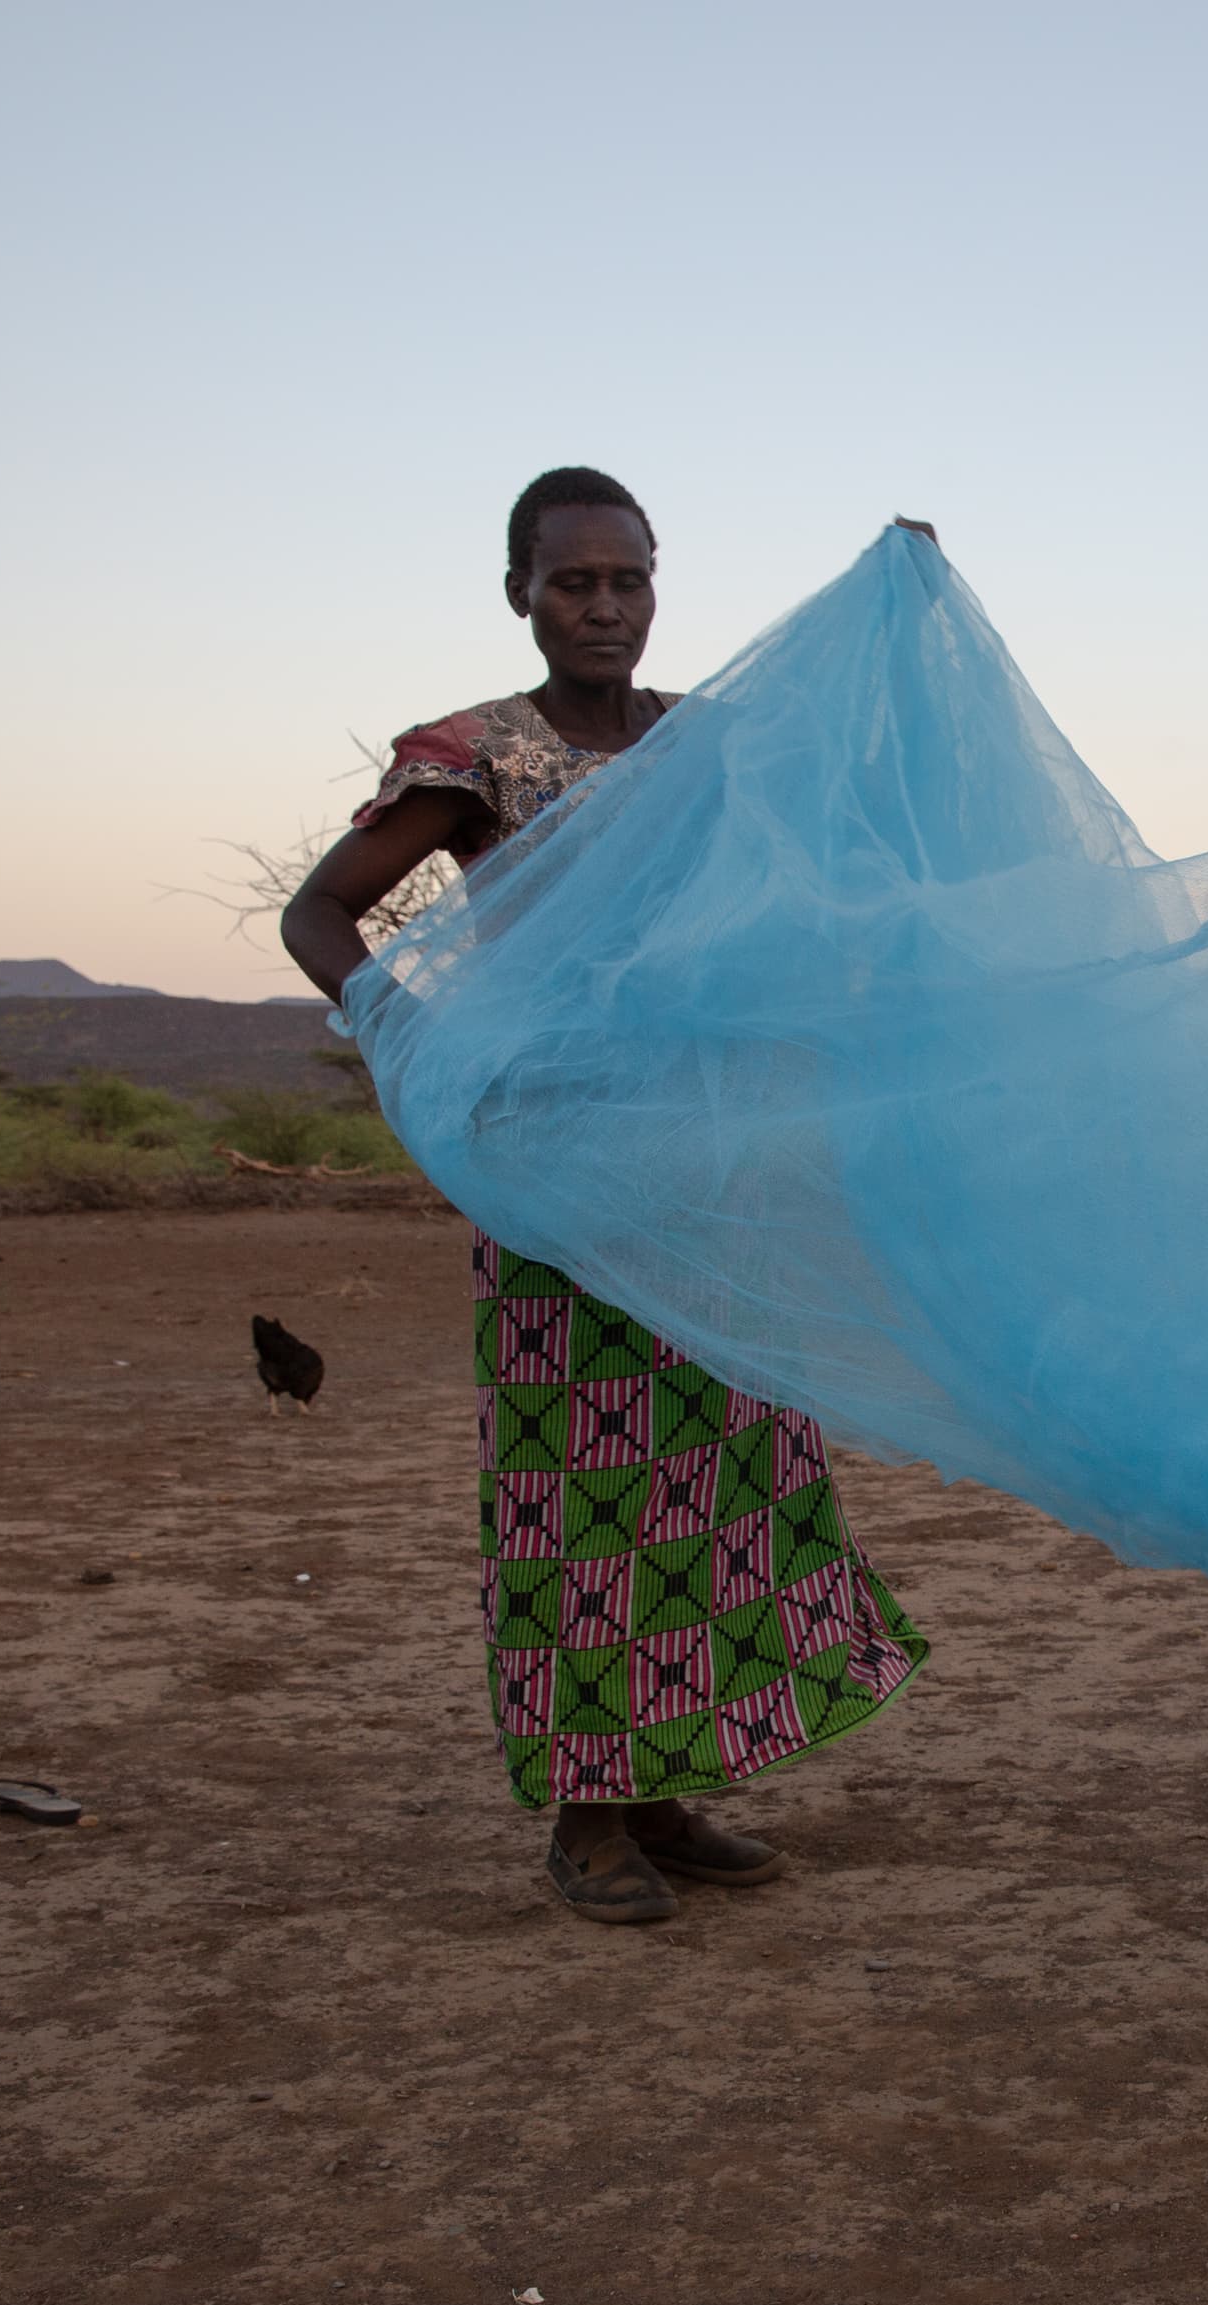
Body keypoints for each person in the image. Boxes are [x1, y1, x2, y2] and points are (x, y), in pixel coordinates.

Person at [283, 467, 931, 1925]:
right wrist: (419, 1036)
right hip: (558, 1174)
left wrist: (898, 623)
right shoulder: (478, 757)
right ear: (519, 592)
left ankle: (663, 1784)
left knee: (724, 1479)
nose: (605, 607)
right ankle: (584, 1814)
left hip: (714, 1164)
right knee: (585, 1483)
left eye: (628, 579)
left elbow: (859, 789)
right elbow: (316, 910)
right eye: (572, 582)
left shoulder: (710, 747)